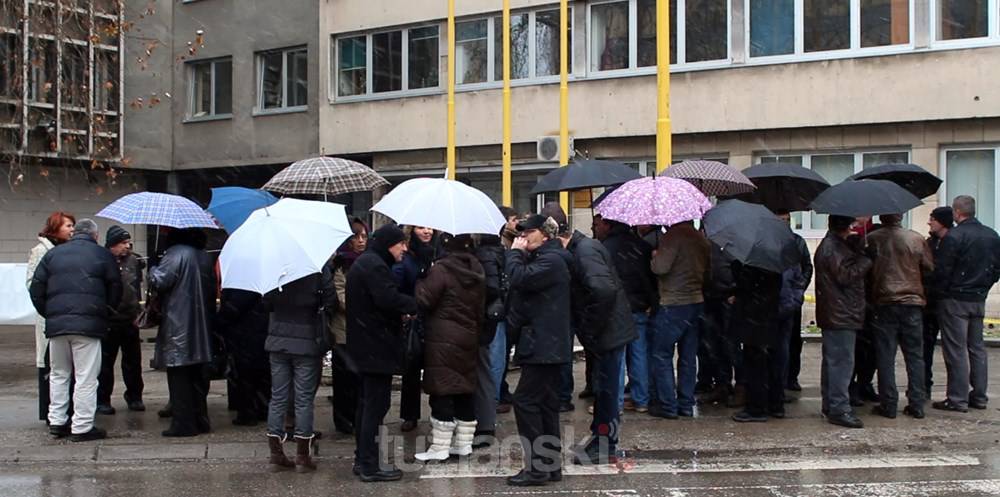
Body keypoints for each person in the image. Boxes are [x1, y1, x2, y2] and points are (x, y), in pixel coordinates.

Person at [29, 218, 121, 442]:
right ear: (95, 236)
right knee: (86, 377)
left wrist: (50, 313)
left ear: (74, 233)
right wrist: (105, 313)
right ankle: (82, 425)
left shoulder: (53, 255)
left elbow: (36, 288)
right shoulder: (102, 255)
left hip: (57, 326)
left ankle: (57, 421)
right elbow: (116, 288)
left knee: (59, 374)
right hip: (88, 326)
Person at [559, 217, 636, 465]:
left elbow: (603, 290)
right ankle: (601, 437)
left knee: (608, 390)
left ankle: (606, 443)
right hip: (608, 329)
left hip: (609, 331)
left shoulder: (585, 251)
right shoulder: (584, 249)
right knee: (604, 389)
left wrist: (590, 327)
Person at [505, 215, 573, 486]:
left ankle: (537, 468)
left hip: (545, 343)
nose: (524, 237)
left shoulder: (552, 260)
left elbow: (520, 279)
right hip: (546, 342)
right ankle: (550, 465)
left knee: (525, 401)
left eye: (530, 232)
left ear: (545, 235)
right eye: (521, 233)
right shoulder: (550, 258)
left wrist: (514, 255)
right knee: (545, 404)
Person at [347, 224, 418, 482]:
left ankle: (363, 459)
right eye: (401, 244)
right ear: (389, 243)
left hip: (367, 346)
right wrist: (416, 305)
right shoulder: (374, 266)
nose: (404, 248)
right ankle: (369, 465)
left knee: (367, 405)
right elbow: (388, 300)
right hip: (375, 347)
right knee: (375, 406)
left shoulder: (369, 263)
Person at [413, 234, 487, 461]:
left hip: (443, 338)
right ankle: (463, 444)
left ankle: (440, 447)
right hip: (469, 335)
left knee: (443, 389)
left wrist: (419, 281)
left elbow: (424, 299)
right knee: (464, 387)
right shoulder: (477, 270)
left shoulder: (441, 270)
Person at [263, 269, 335, 473]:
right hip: (307, 339)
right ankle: (302, 456)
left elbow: (266, 303)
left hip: (278, 339)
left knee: (278, 397)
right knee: (303, 399)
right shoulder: (317, 269)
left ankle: (276, 454)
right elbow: (331, 302)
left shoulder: (276, 269)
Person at [932, 196, 1000, 412]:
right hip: (978, 297)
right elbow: (996, 269)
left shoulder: (954, 236)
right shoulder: (991, 235)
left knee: (956, 349)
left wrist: (941, 293)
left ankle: (957, 398)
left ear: (956, 212)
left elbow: (942, 270)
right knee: (977, 348)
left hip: (955, 299)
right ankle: (979, 396)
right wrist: (984, 286)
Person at [865, 213, 934, 419]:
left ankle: (888, 403)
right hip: (912, 303)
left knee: (885, 356)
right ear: (901, 216)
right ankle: (917, 403)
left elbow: (865, 270)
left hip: (884, 302)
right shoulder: (915, 238)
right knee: (915, 356)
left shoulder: (872, 239)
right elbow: (929, 267)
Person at [149, 228, 217, 437]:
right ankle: (200, 419)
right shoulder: (204, 257)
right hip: (201, 323)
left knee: (179, 377)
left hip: (179, 324)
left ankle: (183, 423)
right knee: (197, 376)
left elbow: (160, 281)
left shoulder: (176, 253)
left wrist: (152, 268)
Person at [814, 215, 873, 428]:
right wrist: (865, 259)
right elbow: (846, 276)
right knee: (841, 362)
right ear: (844, 225)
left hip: (836, 311)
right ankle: (839, 408)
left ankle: (831, 404)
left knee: (833, 361)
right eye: (852, 224)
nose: (855, 227)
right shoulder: (833, 248)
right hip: (841, 313)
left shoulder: (834, 245)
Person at [595, 216, 658, 415]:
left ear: (609, 224)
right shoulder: (642, 245)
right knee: (639, 353)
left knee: (617, 357)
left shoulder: (605, 248)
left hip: (617, 307)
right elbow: (649, 277)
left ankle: (616, 402)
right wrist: (651, 301)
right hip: (640, 305)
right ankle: (641, 399)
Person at [649, 221, 710, 419]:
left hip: (674, 302)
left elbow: (660, 268)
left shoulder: (672, 237)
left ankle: (668, 405)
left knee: (661, 354)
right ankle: (686, 403)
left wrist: (654, 257)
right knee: (688, 356)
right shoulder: (700, 238)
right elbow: (709, 270)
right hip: (696, 300)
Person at [26, 211, 76, 422]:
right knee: (51, 365)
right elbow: (32, 283)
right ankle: (51, 412)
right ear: (55, 228)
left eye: (73, 225)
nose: (72, 229)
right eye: (68, 226)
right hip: (50, 314)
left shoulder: (70, 251)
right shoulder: (41, 251)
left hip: (67, 315)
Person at [393, 226, 438, 432]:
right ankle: (410, 414)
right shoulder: (407, 257)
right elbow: (396, 284)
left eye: (429, 227)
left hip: (435, 319)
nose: (427, 232)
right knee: (411, 368)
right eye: (421, 227)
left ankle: (438, 412)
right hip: (413, 318)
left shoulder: (438, 252)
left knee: (436, 367)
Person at [97, 226, 146, 415]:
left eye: (129, 242)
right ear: (112, 245)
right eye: (123, 243)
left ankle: (135, 396)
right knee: (105, 364)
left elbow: (137, 286)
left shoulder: (133, 261)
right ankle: (103, 399)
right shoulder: (102, 260)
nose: (128, 246)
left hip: (130, 318)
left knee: (133, 362)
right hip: (110, 319)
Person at [326, 217, 368, 435]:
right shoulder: (341, 265)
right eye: (356, 236)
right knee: (344, 380)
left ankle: (358, 416)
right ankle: (344, 420)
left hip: (363, 332)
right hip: (344, 331)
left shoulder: (369, 262)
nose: (361, 241)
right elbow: (341, 298)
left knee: (360, 379)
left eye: (364, 236)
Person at [729, 261, 783, 423]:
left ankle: (757, 408)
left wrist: (737, 268)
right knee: (771, 363)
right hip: (768, 318)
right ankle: (775, 403)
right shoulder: (775, 265)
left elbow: (744, 288)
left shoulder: (751, 267)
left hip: (754, 321)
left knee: (755, 365)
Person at [216, 288, 270, 426]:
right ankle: (261, 408)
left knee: (245, 374)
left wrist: (218, 321)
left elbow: (234, 308)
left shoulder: (244, 285)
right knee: (260, 372)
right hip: (259, 330)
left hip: (245, 333)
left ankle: (248, 412)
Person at [473, 230, 506, 448]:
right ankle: (485, 417)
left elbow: (491, 288)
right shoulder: (497, 251)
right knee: (487, 365)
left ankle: (485, 420)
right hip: (491, 316)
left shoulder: (485, 254)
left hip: (485, 317)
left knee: (485, 366)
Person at [774, 210, 813, 392]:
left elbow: (807, 267)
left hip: (791, 299)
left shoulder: (797, 241)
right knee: (778, 344)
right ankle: (777, 381)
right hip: (775, 300)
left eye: (786, 219)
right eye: (781, 219)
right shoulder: (769, 241)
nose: (784, 222)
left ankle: (791, 377)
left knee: (793, 341)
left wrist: (799, 290)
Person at [922, 207, 953, 392]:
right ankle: (925, 384)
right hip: (930, 304)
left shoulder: (954, 242)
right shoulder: (929, 243)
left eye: (932, 219)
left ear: (942, 221)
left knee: (953, 349)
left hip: (947, 300)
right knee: (925, 347)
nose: (929, 222)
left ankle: (957, 390)